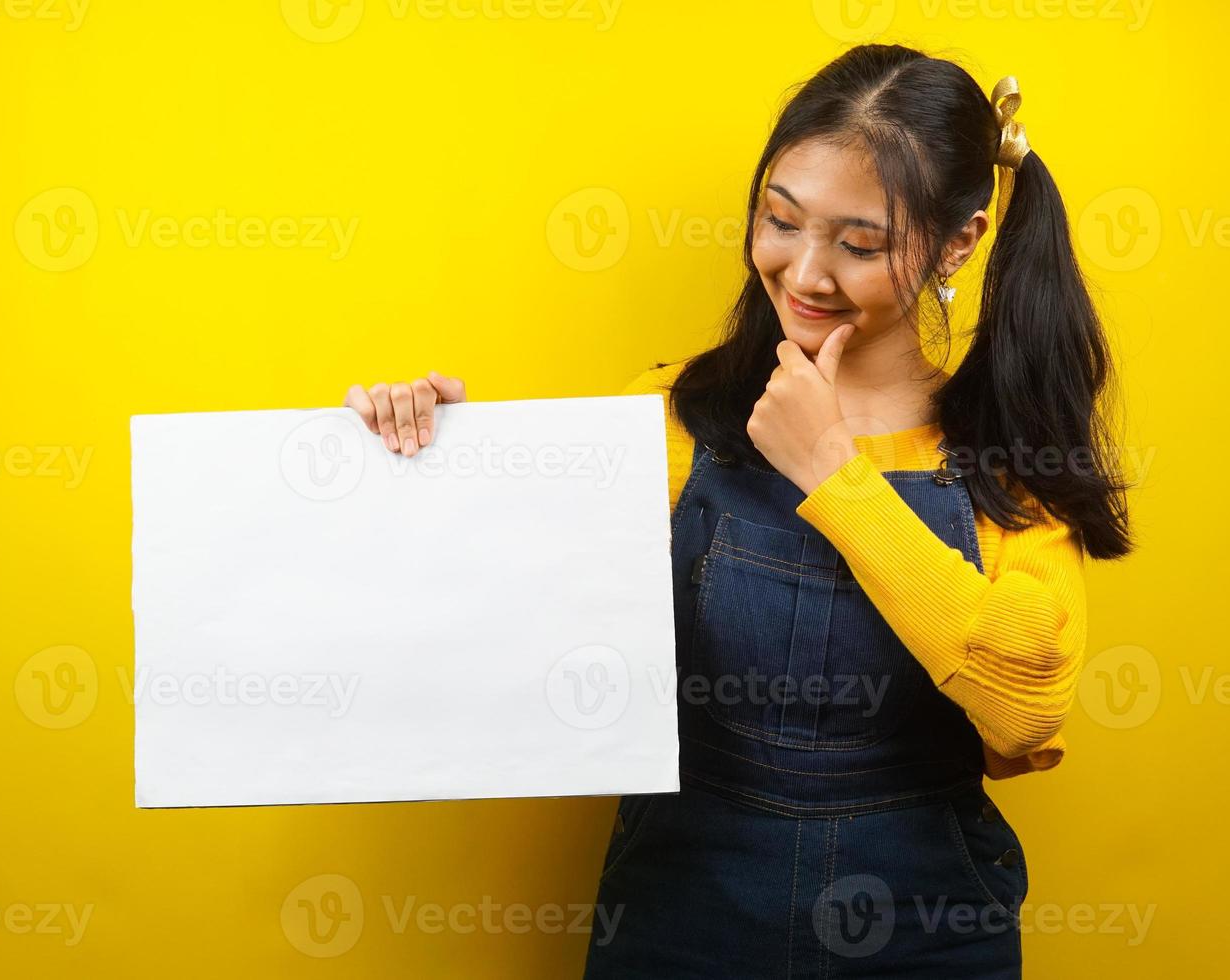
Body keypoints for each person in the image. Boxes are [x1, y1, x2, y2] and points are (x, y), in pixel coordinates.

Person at [344, 42, 1133, 980]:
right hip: (684, 907)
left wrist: (834, 477)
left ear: (958, 242)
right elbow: (530, 637)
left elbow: (1023, 707)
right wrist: (440, 467)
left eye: (860, 242)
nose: (804, 272)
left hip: (928, 927)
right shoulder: (675, 415)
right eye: (780, 220)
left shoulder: (1007, 457)